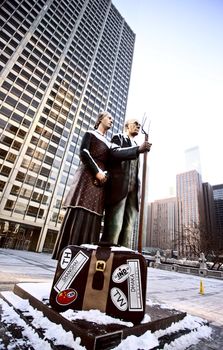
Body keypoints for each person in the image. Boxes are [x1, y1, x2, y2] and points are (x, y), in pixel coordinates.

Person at [52, 111, 113, 260]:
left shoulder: (110, 143)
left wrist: (105, 175)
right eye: (109, 117)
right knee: (81, 209)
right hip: (86, 176)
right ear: (100, 119)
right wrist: (97, 172)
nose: (112, 120)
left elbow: (112, 164)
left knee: (95, 213)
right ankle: (69, 255)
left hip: (101, 182)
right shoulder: (89, 133)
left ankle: (87, 257)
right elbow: (84, 152)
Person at [101, 118, 152, 248]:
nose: (138, 126)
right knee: (115, 226)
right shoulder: (119, 137)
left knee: (128, 228)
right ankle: (107, 255)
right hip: (119, 188)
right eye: (135, 123)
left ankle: (122, 256)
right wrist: (137, 150)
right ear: (126, 126)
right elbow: (114, 153)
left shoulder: (135, 143)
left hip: (133, 190)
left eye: (139, 125)